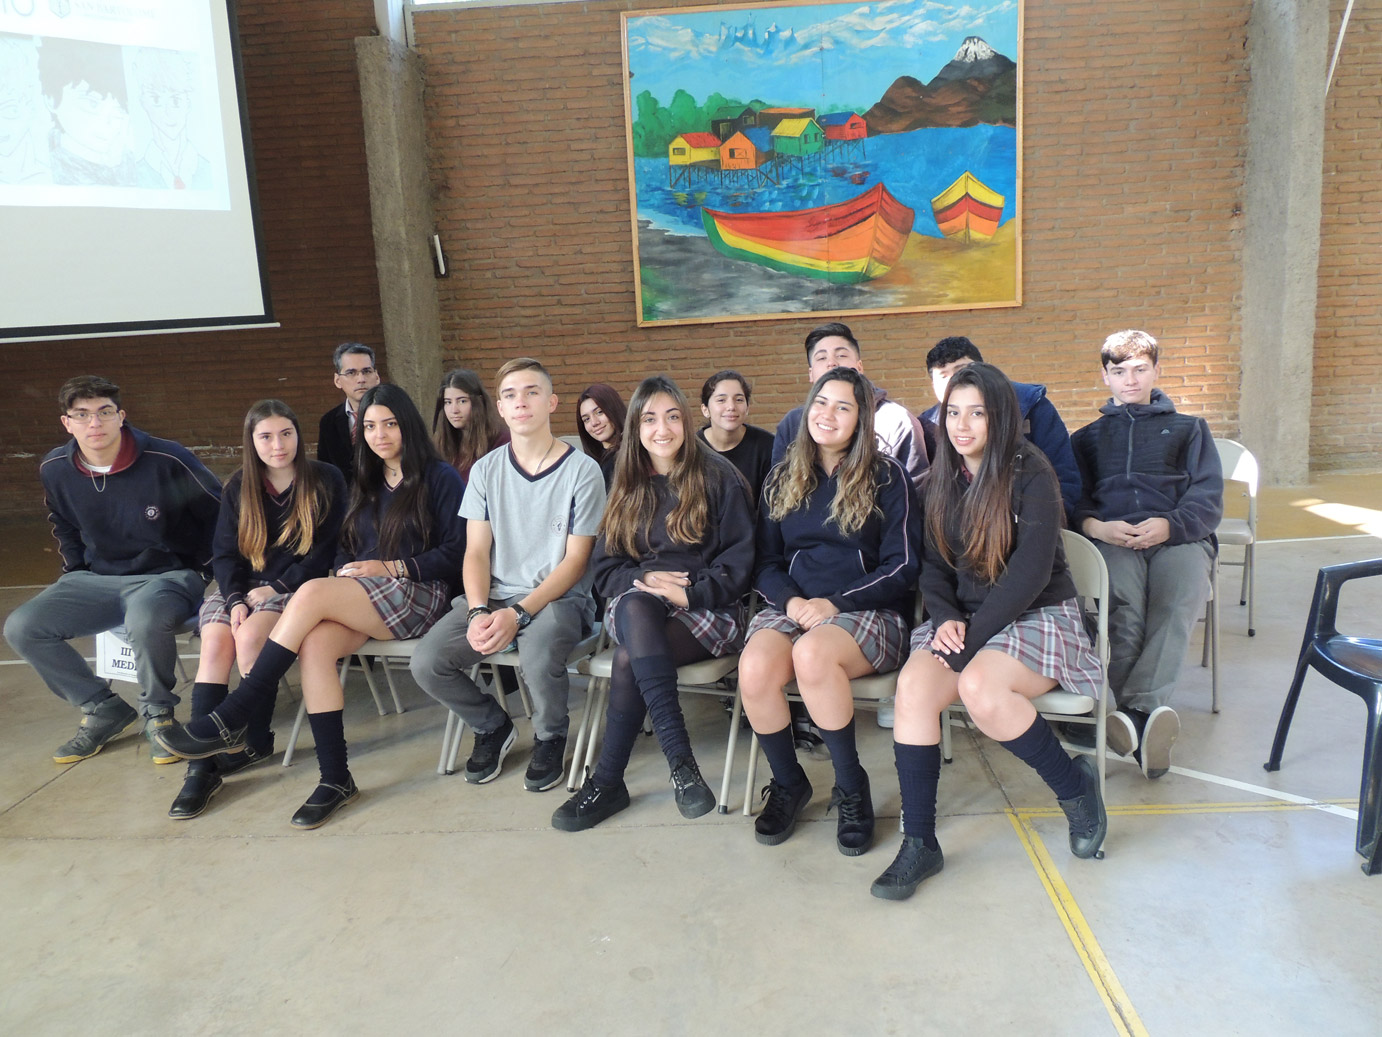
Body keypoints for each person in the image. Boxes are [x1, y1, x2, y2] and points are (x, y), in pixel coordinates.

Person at [156, 384, 466, 829]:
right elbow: (343, 545)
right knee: (316, 646)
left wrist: (390, 567)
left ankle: (237, 711)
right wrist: (347, 570)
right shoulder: (366, 478)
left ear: (409, 426)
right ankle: (337, 779)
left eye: (390, 424)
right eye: (370, 426)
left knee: (311, 592)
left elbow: (457, 552)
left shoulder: (440, 477)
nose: (380, 435)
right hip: (365, 593)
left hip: (419, 591)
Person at [871, 362, 1107, 901]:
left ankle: (1076, 789)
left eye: (976, 413)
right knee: (913, 688)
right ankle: (920, 841)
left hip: (1037, 614)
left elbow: (1031, 573)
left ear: (999, 417)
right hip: (966, 621)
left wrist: (971, 636)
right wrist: (945, 617)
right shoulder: (942, 477)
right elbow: (933, 565)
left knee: (980, 687)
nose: (961, 425)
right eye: (953, 413)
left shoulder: (1031, 471)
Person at [553, 376, 755, 831]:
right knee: (636, 604)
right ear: (636, 427)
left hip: (709, 608)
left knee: (629, 659)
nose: (661, 429)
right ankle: (681, 765)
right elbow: (606, 569)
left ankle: (609, 781)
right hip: (639, 603)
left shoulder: (719, 477)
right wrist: (641, 577)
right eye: (649, 419)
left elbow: (740, 566)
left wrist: (690, 592)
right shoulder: (625, 483)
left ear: (687, 421)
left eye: (671, 417)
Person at [739, 366, 921, 856]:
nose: (828, 414)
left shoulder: (888, 477)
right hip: (796, 606)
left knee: (813, 654)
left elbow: (902, 565)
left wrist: (835, 604)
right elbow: (765, 563)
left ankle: (851, 786)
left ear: (861, 418)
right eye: (821, 403)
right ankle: (789, 782)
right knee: (754, 667)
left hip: (869, 610)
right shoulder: (782, 476)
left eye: (844, 406)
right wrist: (793, 602)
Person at [411, 358, 606, 793]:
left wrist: (518, 614)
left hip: (558, 598)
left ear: (551, 402)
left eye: (532, 392)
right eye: (511, 395)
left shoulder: (583, 471)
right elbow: (476, 552)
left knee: (537, 658)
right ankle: (492, 725)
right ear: (499, 408)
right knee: (427, 662)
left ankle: (550, 736)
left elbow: (576, 561)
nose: (521, 402)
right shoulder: (486, 470)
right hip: (495, 595)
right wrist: (478, 610)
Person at [4, 376, 221, 764]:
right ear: (66, 423)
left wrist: (203, 571)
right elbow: (62, 522)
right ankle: (102, 707)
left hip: (168, 576)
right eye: (82, 415)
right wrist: (75, 571)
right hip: (99, 579)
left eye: (104, 412)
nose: (95, 423)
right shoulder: (55, 468)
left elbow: (220, 514)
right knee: (22, 627)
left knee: (144, 617)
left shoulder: (166, 459)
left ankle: (158, 715)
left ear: (121, 416)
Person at [168, 400, 347, 820]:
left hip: (293, 587)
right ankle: (201, 769)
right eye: (265, 436)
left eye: (286, 433)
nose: (277, 445)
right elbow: (224, 553)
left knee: (249, 638)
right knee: (215, 643)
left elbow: (326, 551)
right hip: (240, 588)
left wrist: (275, 588)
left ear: (298, 435)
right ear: (252, 441)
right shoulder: (239, 486)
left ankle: (256, 740)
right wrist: (233, 598)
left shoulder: (325, 478)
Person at [1071, 330, 1223, 779]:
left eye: (1140, 369)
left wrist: (1170, 525)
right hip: (1113, 539)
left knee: (1174, 606)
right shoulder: (1086, 439)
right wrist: (1097, 527)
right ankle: (1146, 724)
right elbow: (1074, 501)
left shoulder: (1190, 429)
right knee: (1124, 612)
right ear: (1105, 376)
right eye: (1119, 372)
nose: (1130, 380)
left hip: (1179, 537)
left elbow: (1208, 498)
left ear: (1156, 370)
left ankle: (1135, 716)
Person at [919, 336, 1082, 522]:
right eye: (943, 376)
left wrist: (1048, 523)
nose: (955, 381)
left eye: (961, 370)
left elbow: (1065, 478)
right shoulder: (928, 426)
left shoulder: (1031, 406)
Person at [770, 322, 927, 493]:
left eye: (841, 355)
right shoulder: (793, 422)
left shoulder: (897, 422)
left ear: (859, 367)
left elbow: (913, 492)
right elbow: (778, 489)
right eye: (821, 358)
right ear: (811, 374)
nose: (832, 363)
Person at [37, 37, 137, 186]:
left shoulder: (128, 163)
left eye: (119, 110)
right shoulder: (44, 166)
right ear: (51, 99)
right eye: (92, 103)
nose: (109, 123)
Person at [697, 369, 775, 498]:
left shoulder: (768, 446)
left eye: (739, 400)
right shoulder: (691, 449)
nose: (731, 407)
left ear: (747, 408)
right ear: (705, 410)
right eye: (721, 400)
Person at [317, 342, 381, 484]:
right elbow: (325, 472)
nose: (361, 379)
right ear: (337, 380)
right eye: (351, 373)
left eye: (367, 371)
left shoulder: (394, 415)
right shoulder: (329, 422)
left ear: (376, 376)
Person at [431, 367, 510, 483]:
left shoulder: (501, 442)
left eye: (462, 401)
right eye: (448, 402)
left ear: (478, 401)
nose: (454, 410)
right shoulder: (440, 445)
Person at [577, 383, 627, 488]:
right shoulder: (591, 463)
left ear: (614, 410)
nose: (594, 422)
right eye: (586, 419)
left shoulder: (629, 455)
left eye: (599, 412)